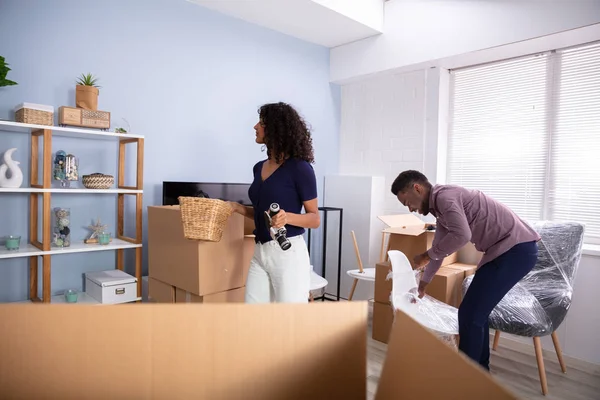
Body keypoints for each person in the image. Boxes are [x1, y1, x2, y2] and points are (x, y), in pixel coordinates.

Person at [390, 170, 541, 371]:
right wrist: (423, 284)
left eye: (407, 202)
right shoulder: (440, 209)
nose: (410, 209)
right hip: (505, 251)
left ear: (417, 188)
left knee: (470, 315)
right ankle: (480, 372)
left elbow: (461, 236)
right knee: (476, 314)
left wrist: (425, 256)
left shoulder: (445, 198)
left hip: (515, 251)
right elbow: (440, 248)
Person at [229, 102, 320, 304]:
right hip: (260, 251)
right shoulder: (258, 168)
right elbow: (264, 214)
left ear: (276, 128)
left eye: (261, 123)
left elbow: (314, 219)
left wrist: (287, 217)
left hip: (288, 254)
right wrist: (238, 208)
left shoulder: (300, 168)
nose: (255, 127)